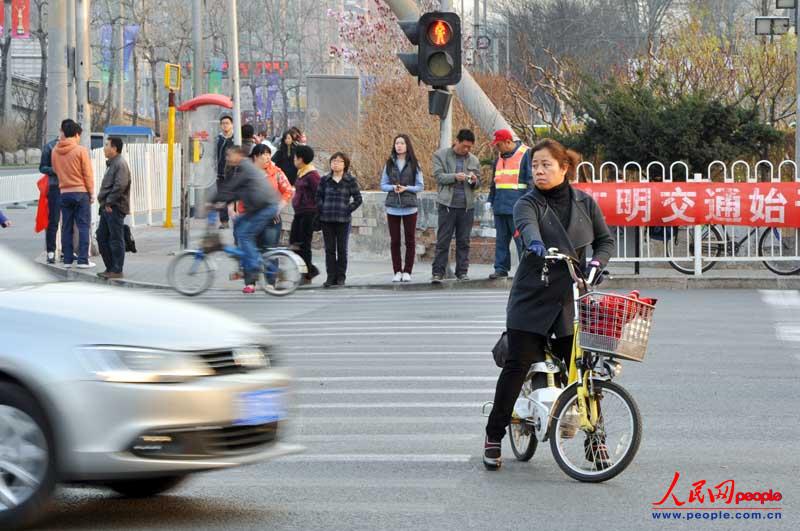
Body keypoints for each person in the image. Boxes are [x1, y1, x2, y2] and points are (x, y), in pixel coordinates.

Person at [483, 139, 615, 470]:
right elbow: (527, 227)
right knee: (517, 365)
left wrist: (597, 263)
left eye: (546, 165)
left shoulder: (585, 202)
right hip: (532, 295)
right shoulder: (527, 202)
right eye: (535, 165)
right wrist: (536, 243)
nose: (539, 170)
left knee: (585, 370)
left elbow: (605, 240)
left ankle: (595, 440)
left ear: (564, 168)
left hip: (571, 296)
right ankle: (493, 435)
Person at [211, 146, 281, 294]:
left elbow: (232, 187)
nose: (227, 158)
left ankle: (254, 265)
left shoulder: (245, 167)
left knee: (246, 235)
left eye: (230, 154)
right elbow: (236, 191)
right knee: (238, 225)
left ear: (238, 155)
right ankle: (244, 262)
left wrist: (213, 201)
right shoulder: (241, 168)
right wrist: (222, 201)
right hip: (256, 207)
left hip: (265, 206)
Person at [431, 129, 481, 283]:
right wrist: (455, 177)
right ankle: (438, 272)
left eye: (469, 147)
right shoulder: (441, 155)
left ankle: (462, 272)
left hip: (467, 206)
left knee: (464, 241)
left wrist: (473, 180)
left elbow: (478, 182)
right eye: (464, 146)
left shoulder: (473, 160)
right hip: (447, 205)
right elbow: (438, 177)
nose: (466, 150)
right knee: (443, 240)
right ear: (457, 141)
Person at [487, 129, 532, 279]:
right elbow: (495, 182)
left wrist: (527, 205)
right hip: (500, 206)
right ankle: (500, 268)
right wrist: (490, 200)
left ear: (508, 142)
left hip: (517, 207)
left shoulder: (526, 154)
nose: (497, 148)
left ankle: (526, 269)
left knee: (521, 241)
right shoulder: (499, 158)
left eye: (498, 145)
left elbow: (531, 182)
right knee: (501, 240)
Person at [51, 120, 95, 269]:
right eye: (79, 136)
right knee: (83, 226)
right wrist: (91, 192)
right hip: (81, 192)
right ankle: (83, 260)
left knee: (66, 227)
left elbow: (56, 170)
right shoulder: (80, 150)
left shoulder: (55, 151)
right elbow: (87, 174)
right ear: (76, 134)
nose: (79, 139)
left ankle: (68, 260)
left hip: (64, 192)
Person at [380, 134, 424, 282]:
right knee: (395, 241)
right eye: (397, 143)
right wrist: (394, 187)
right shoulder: (389, 163)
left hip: (410, 206)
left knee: (410, 240)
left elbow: (420, 186)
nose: (399, 146)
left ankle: (407, 271)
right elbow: (383, 185)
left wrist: (406, 188)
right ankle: (397, 270)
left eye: (402, 143)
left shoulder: (414, 164)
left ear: (407, 146)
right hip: (393, 206)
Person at [316, 152, 363, 288]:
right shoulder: (324, 180)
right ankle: (331, 276)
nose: (336, 163)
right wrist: (322, 207)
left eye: (339, 161)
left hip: (343, 220)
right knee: (329, 250)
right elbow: (318, 196)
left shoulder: (350, 180)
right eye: (334, 161)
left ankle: (341, 276)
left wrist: (348, 209)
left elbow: (358, 199)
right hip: (327, 219)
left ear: (345, 164)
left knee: (342, 249)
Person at [241, 143, 294, 250]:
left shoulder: (276, 172)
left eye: (269, 154)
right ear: (255, 157)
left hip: (271, 220)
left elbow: (288, 190)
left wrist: (278, 208)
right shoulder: (246, 173)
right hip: (251, 219)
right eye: (264, 154)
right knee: (252, 253)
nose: (267, 157)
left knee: (270, 253)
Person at [96, 137, 132, 279]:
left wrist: (109, 202)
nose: (104, 148)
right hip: (107, 207)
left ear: (115, 148)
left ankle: (117, 269)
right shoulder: (113, 163)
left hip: (114, 208)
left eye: (107, 145)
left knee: (115, 239)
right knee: (101, 237)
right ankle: (110, 267)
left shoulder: (120, 164)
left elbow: (120, 185)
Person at [39, 119, 75, 263]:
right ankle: (51, 252)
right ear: (61, 130)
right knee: (53, 221)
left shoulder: (74, 147)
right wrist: (55, 170)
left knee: (68, 222)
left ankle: (67, 252)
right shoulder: (49, 147)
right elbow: (42, 167)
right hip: (55, 187)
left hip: (70, 187)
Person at [289, 144, 321, 283]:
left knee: (304, 245)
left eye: (295, 157)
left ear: (300, 159)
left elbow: (319, 195)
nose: (293, 160)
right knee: (294, 243)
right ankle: (310, 269)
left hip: (308, 214)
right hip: (299, 213)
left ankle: (307, 274)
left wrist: (317, 214)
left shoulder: (312, 175)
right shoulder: (301, 172)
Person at [215, 115, 235, 228]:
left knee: (234, 198)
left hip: (233, 174)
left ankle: (236, 219)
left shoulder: (236, 138)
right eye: (223, 123)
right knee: (222, 198)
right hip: (220, 174)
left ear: (232, 124)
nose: (225, 125)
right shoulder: (218, 139)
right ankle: (224, 222)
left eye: (227, 123)